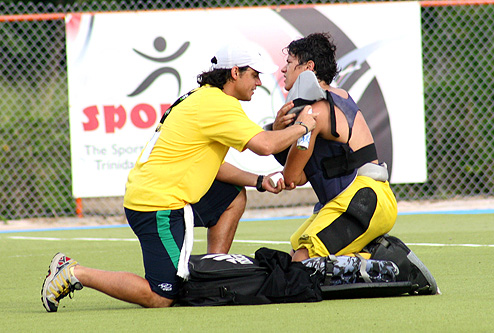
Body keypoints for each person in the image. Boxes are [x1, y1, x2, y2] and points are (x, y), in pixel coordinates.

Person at [41, 42, 318, 311]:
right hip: (156, 205)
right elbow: (266, 145)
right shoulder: (218, 105)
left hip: (164, 194)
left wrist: (258, 181)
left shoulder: (204, 98)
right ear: (235, 72)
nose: (259, 83)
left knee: (232, 195)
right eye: (254, 75)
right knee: (161, 296)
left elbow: (212, 168)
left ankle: (210, 273)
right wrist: (303, 126)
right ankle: (73, 272)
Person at [271, 32, 397, 262]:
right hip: (362, 200)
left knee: (301, 264)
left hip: (364, 201)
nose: (283, 69)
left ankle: (385, 260)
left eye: (289, 63)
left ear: (308, 67)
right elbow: (301, 178)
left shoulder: (313, 114)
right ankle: (368, 255)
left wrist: (277, 136)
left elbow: (291, 176)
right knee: (293, 259)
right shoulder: (337, 97)